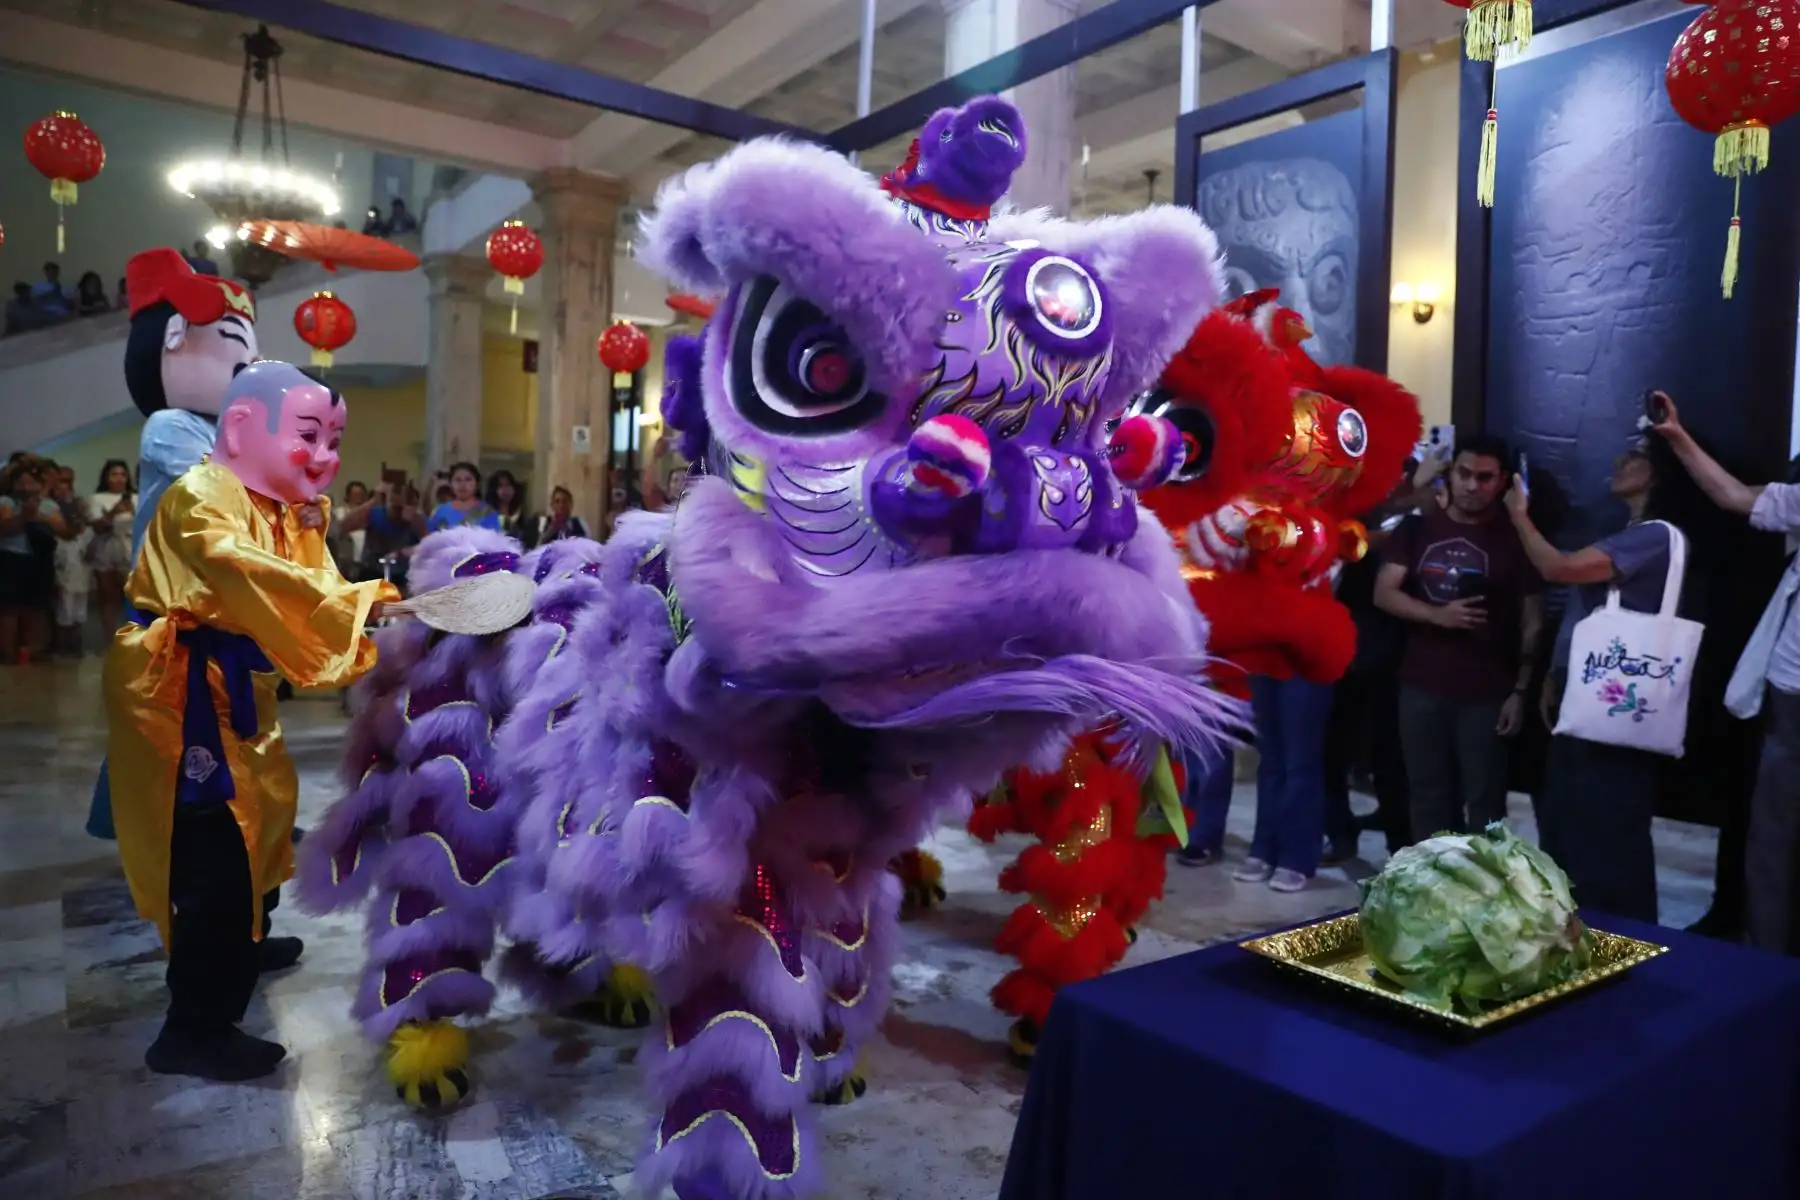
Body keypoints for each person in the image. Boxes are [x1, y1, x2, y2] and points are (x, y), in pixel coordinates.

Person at [106, 361, 397, 1081]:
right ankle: (194, 1026)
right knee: (213, 850)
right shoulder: (200, 496)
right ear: (240, 429)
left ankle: (248, 936)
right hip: (181, 695)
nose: (324, 457)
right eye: (309, 435)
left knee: (265, 817)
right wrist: (360, 603)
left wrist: (323, 555)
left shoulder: (274, 504)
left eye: (333, 441)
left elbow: (308, 582)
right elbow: (243, 572)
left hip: (234, 687)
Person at [1512, 428, 1701, 923]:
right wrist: (1557, 672)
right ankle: (1581, 932)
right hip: (1588, 699)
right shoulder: (1632, 532)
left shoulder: (1656, 536)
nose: (1620, 461)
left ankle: (1622, 936)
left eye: (1635, 454)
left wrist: (1519, 515)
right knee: (1569, 824)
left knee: (1607, 834)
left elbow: (1558, 568)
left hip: (1614, 716)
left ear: (1659, 472)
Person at [1654, 394, 1800, 950]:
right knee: (1774, 837)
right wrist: (1677, 437)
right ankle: (1768, 961)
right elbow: (1734, 495)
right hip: (1791, 686)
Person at [1375, 435, 1543, 842]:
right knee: (1427, 795)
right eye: (1464, 474)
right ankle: (1434, 876)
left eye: (1484, 478)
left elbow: (1533, 621)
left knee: (1486, 802)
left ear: (1501, 481)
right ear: (1451, 473)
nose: (1472, 486)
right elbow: (1384, 593)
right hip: (1421, 683)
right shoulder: (1419, 526)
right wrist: (1437, 615)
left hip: (1488, 690)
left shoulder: (1517, 536)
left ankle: (1486, 880)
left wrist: (1521, 691)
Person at [0, 462, 70, 663]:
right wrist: (23, 517)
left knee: (38, 607)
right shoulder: (6, 502)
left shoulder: (49, 505)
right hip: (11, 558)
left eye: (31, 482)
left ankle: (34, 650)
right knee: (9, 608)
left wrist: (40, 518)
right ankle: (7, 652)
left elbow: (64, 531)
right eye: (21, 482)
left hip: (40, 560)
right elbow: (3, 529)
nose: (26, 486)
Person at [47, 466, 94, 655]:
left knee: (79, 606)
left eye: (67, 486)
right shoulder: (51, 508)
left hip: (80, 565)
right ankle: (61, 645)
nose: (63, 491)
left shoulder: (80, 506)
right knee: (63, 606)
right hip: (62, 561)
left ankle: (76, 645)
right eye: (59, 487)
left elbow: (87, 533)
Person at [88, 459, 136, 636]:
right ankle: (110, 639)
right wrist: (113, 512)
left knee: (134, 598)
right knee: (108, 598)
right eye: (114, 474)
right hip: (106, 548)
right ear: (106, 477)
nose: (119, 479)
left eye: (123, 474)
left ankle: (134, 638)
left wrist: (133, 511)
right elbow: (97, 527)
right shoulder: (97, 498)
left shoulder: (137, 497)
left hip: (130, 548)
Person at [427, 462, 499, 532]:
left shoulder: (488, 512)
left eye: (468, 479)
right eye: (458, 480)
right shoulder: (440, 511)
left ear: (477, 483)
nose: (463, 484)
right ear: (451, 484)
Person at [523, 485, 590, 547]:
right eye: (557, 501)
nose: (561, 505)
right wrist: (549, 533)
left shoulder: (580, 522)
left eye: (565, 501)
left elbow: (588, 547)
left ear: (571, 504)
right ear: (552, 505)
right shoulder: (544, 524)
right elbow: (535, 550)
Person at [329, 480, 370, 577]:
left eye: (361, 494)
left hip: (366, 563)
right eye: (355, 494)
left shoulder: (371, 514)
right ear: (348, 496)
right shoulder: (339, 513)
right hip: (346, 562)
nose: (358, 497)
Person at [485, 469, 526, 537]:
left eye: (508, 485)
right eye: (501, 485)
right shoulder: (487, 515)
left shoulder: (518, 514)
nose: (506, 489)